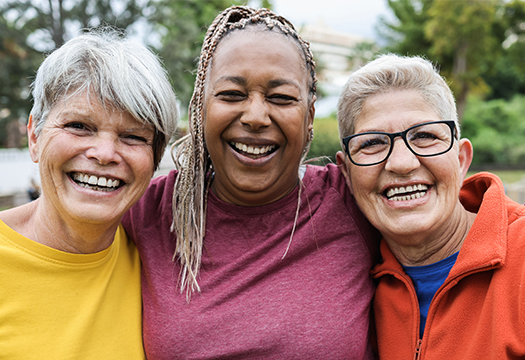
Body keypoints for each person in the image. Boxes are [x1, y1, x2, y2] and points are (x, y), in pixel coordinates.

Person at [122, 6, 379, 359]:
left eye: (281, 98)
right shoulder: (147, 212)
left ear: (310, 116)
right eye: (231, 94)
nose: (256, 117)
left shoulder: (353, 202)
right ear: (200, 107)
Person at [0, 29, 177, 359]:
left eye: (132, 136)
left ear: (155, 158)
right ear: (34, 136)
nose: (104, 153)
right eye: (79, 126)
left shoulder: (162, 258)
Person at [336, 54, 525, 359]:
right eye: (372, 143)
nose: (401, 163)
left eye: (424, 136)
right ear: (346, 173)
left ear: (461, 160)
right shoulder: (348, 283)